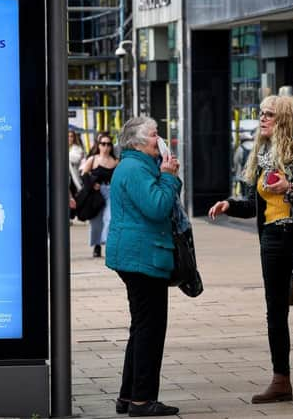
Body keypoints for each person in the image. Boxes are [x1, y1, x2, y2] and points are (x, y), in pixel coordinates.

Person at [208, 95, 293, 404]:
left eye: (269, 114)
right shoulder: (263, 155)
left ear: (284, 118)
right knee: (275, 312)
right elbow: (258, 206)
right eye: (261, 114)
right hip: (271, 239)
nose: (262, 119)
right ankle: (280, 380)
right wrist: (230, 205)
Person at [106, 116, 181, 417]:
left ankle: (129, 396)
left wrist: (167, 172)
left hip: (138, 255)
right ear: (137, 141)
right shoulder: (135, 168)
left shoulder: (137, 165)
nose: (159, 139)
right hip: (142, 257)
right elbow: (158, 206)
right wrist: (169, 176)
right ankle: (142, 400)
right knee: (150, 329)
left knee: (140, 328)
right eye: (154, 135)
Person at [82, 132, 118, 258]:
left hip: (111, 192)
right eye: (103, 144)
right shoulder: (93, 159)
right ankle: (97, 246)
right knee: (96, 221)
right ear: (98, 145)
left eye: (108, 144)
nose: (106, 147)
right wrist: (92, 185)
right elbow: (84, 174)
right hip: (96, 193)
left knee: (110, 217)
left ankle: (107, 242)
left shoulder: (115, 161)